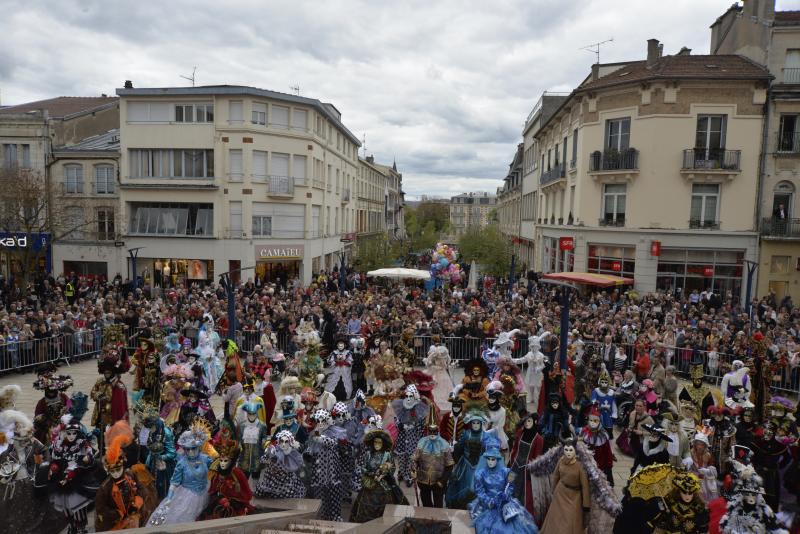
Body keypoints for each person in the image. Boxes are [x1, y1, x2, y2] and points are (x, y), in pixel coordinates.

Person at [0, 410, 68, 534]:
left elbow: (44, 451)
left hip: (30, 481)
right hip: (13, 485)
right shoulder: (7, 452)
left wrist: (44, 467)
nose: (24, 442)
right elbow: (3, 465)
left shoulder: (32, 443)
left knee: (36, 508)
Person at [147, 421, 213, 527]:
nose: (190, 452)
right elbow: (174, 482)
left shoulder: (206, 459)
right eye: (187, 449)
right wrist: (169, 499)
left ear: (199, 447)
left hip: (205, 493)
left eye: (193, 448)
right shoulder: (182, 463)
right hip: (187, 496)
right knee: (180, 519)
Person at [94, 422, 157, 531]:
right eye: (112, 471)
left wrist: (136, 504)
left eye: (118, 469)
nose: (116, 474)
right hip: (116, 525)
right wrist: (116, 514)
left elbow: (141, 489)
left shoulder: (130, 475)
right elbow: (100, 509)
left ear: (122, 466)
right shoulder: (105, 488)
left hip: (134, 519)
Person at [468, 444, 538, 534]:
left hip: (504, 504)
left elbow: (511, 486)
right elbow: (479, 492)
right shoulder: (480, 474)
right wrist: (489, 501)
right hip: (488, 505)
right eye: (488, 459)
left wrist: (506, 495)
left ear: (498, 459)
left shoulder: (506, 472)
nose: (490, 461)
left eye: (493, 459)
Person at [350, 428, 407, 522]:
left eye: (379, 443)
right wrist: (371, 474)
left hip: (384, 485)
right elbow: (363, 468)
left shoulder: (387, 455)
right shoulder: (368, 454)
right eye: (375, 442)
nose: (377, 445)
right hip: (369, 485)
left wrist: (384, 472)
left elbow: (392, 469)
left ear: (383, 443)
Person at [538, 438, 590, 534]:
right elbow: (555, 476)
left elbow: (585, 486)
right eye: (566, 450)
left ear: (575, 450)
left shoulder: (580, 465)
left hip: (574, 497)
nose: (568, 452)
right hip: (560, 493)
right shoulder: (561, 461)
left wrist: (586, 505)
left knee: (570, 521)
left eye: (571, 450)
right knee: (556, 518)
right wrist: (553, 491)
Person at [200, 433, 254, 520]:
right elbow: (213, 490)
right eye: (221, 460)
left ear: (231, 461)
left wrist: (232, 499)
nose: (222, 463)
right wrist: (219, 498)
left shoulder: (237, 473)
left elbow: (246, 493)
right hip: (219, 504)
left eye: (225, 461)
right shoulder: (217, 473)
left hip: (235, 506)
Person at [508, 413, 544, 521]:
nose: (527, 424)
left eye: (529, 421)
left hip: (526, 472)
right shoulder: (520, 433)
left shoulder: (539, 439)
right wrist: (511, 462)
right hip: (515, 467)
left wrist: (531, 471)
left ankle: (521, 519)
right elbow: (514, 449)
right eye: (525, 421)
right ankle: (509, 513)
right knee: (510, 489)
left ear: (534, 422)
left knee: (525, 496)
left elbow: (537, 458)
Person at [412, 423, 454, 508]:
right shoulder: (421, 443)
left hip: (438, 482)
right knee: (426, 507)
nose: (432, 434)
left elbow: (449, 466)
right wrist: (414, 469)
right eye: (430, 431)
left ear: (437, 431)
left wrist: (442, 481)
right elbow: (415, 460)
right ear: (427, 431)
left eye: (434, 431)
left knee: (438, 507)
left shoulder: (444, 444)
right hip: (423, 481)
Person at [254, 430, 306, 499]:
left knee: (288, 495)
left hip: (287, 483)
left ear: (290, 442)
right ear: (278, 441)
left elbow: (299, 462)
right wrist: (270, 460)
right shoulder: (273, 450)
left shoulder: (292, 453)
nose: (283, 444)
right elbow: (263, 460)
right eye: (281, 441)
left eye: (286, 441)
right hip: (271, 482)